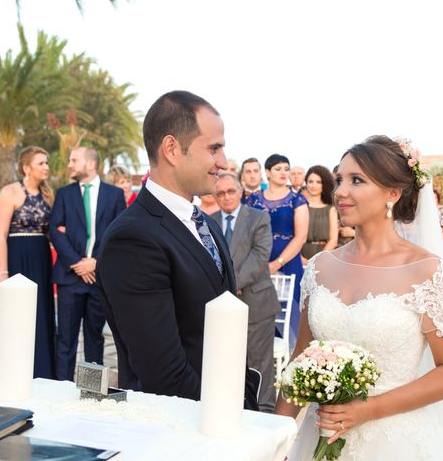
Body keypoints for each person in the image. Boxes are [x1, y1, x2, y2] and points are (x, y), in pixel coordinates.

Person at [277, 135, 443, 460]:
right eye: (339, 179)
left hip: (394, 442)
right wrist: (276, 438)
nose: (340, 190)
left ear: (393, 193)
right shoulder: (320, 267)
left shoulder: (425, 271)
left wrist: (366, 410)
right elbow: (300, 359)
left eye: (356, 180)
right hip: (319, 437)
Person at [96, 90, 259, 409]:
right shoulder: (133, 239)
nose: (223, 162)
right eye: (214, 148)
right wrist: (229, 417)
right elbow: (163, 373)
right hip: (183, 426)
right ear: (171, 148)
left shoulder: (208, 224)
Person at [49, 146, 126, 381]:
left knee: (95, 337)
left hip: (98, 278)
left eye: (74, 160)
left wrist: (95, 263)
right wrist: (77, 263)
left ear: (91, 164)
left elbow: (119, 234)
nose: (70, 164)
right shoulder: (64, 194)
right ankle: (60, 389)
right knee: (66, 338)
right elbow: (55, 230)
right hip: (69, 278)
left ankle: (90, 391)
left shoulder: (114, 195)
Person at [211, 173, 280, 413]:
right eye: (220, 193)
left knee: (259, 363)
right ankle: (233, 408)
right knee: (226, 360)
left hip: (256, 302)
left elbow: (260, 256)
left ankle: (264, 411)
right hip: (220, 305)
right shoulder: (208, 222)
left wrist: (232, 283)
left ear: (240, 192)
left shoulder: (258, 218)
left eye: (231, 191)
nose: (226, 197)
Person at [0, 146, 55, 379]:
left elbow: (53, 232)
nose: (46, 167)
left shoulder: (48, 195)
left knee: (41, 312)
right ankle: (15, 374)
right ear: (26, 168)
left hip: (41, 258)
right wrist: (2, 274)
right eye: (41, 163)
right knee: (16, 315)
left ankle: (42, 372)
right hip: (17, 256)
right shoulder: (10, 193)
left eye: (47, 163)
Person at [245, 154, 309, 346]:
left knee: (289, 312)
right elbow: (246, 234)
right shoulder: (253, 201)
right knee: (258, 308)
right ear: (267, 172)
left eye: (286, 169)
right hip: (258, 262)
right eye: (278, 169)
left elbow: (301, 237)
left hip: (288, 262)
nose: (284, 173)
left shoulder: (297, 200)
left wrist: (277, 263)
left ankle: (289, 358)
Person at [301, 165, 338, 262]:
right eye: (310, 182)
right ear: (306, 183)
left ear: (324, 184)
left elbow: (333, 240)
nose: (314, 185)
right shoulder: (299, 207)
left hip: (324, 257)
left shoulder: (331, 209)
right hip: (299, 256)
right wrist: (299, 259)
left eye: (318, 182)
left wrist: (318, 260)